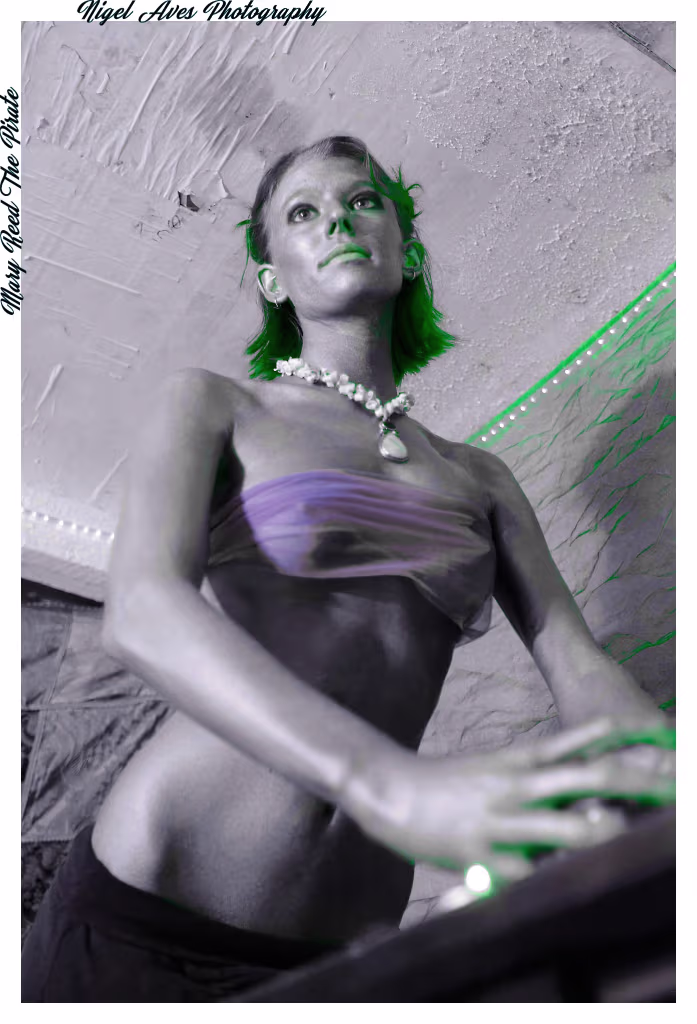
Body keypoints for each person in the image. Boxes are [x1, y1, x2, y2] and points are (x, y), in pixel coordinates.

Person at [21, 136, 675, 1002]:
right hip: (144, 917)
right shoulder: (217, 403)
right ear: (271, 279)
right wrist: (390, 786)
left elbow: (577, 664)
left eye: (363, 201)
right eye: (302, 211)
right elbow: (142, 608)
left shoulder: (480, 478)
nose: (336, 218)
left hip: (339, 954)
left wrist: (662, 777)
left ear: (407, 253)